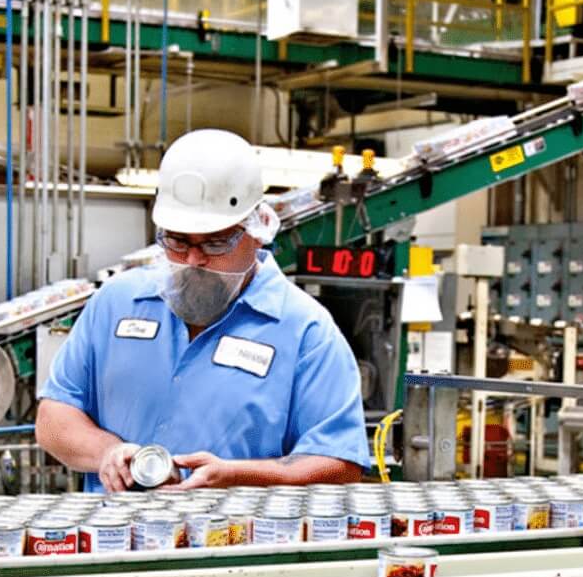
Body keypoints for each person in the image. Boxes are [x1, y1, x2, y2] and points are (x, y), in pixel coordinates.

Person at [35, 128, 370, 492]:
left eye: (215, 242)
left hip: (234, 541)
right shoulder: (115, 304)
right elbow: (53, 420)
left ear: (255, 230)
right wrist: (107, 453)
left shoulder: (305, 331)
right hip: (117, 538)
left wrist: (238, 477)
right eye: (177, 241)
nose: (194, 260)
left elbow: (341, 464)